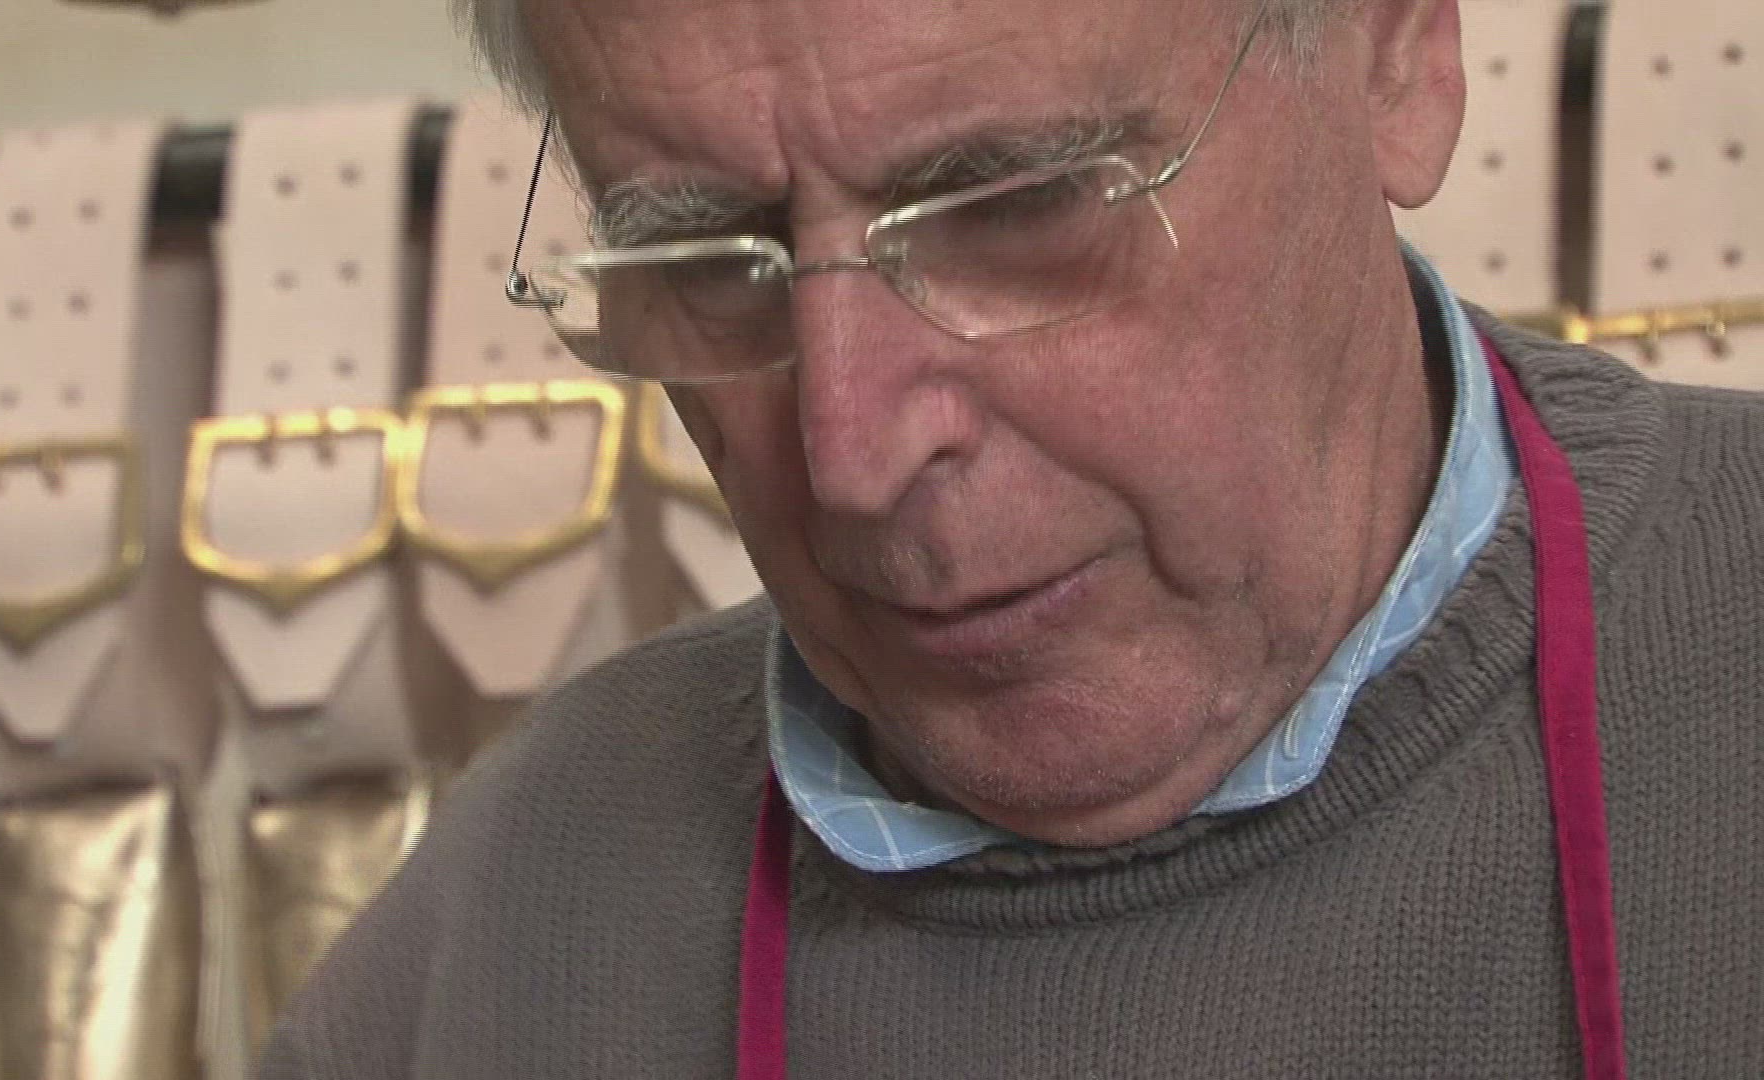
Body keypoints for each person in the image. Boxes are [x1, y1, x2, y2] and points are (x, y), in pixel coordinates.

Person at [260, 0, 1764, 1075]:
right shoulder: (503, 939)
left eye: (1013, 203)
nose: (853, 456)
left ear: (1391, 51)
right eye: (710, 261)